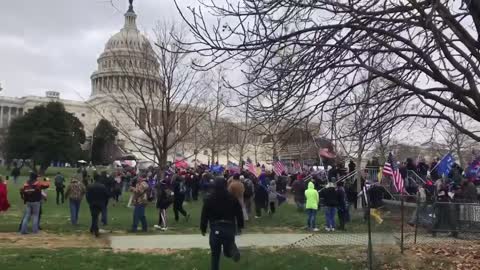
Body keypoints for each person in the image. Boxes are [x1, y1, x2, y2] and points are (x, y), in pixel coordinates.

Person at [200, 177, 244, 270]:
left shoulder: (209, 198)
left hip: (215, 228)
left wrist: (203, 228)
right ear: (226, 185)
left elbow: (204, 215)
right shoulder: (232, 198)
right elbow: (239, 212)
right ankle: (232, 250)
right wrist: (240, 225)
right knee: (228, 251)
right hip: (229, 227)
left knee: (215, 255)